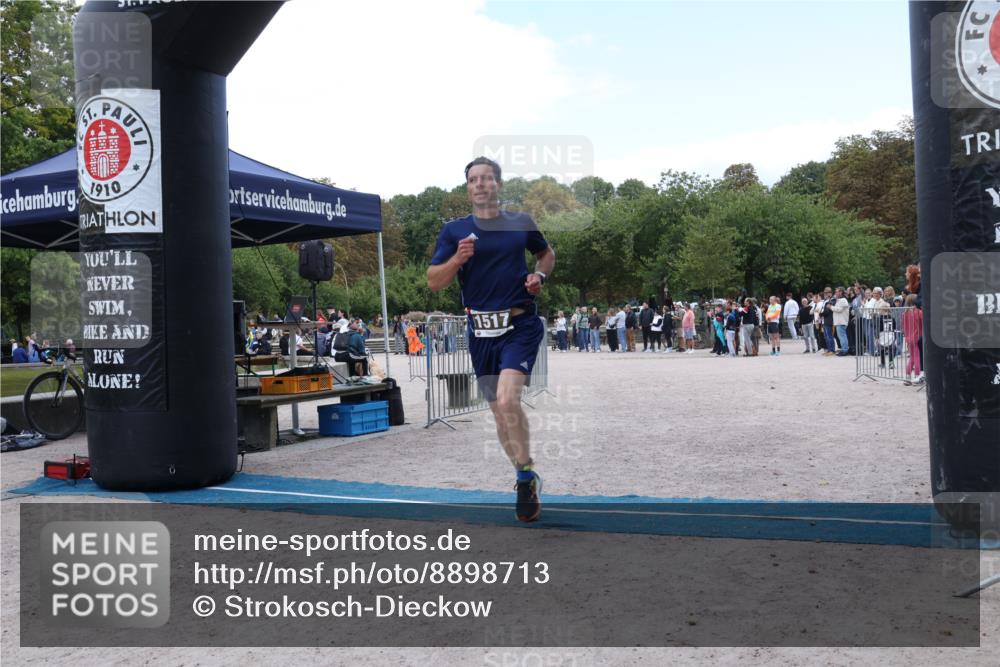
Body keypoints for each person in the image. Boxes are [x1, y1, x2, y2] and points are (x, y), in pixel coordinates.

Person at [427, 156, 555, 523]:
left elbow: (546, 254)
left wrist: (539, 277)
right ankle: (525, 475)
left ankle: (524, 478)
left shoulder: (520, 223)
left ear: (498, 185)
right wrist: (457, 260)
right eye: (473, 180)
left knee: (506, 398)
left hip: (519, 325)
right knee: (500, 414)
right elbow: (434, 281)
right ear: (467, 189)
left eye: (486, 178)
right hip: (479, 332)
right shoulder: (454, 232)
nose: (480, 184)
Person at [901, 293, 923, 385]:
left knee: (912, 358)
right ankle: (918, 376)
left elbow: (903, 326)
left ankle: (908, 377)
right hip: (918, 336)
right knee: (918, 357)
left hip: (908, 337)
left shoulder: (905, 313)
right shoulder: (919, 312)